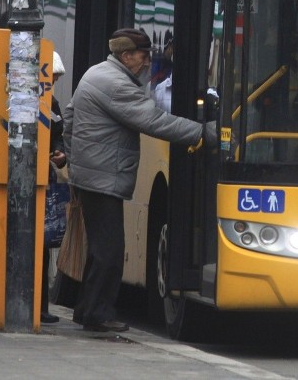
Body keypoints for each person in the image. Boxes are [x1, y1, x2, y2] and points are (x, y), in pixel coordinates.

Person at [64, 28, 214, 333]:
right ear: (126, 55)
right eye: (143, 56)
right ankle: (98, 314)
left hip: (93, 174)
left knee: (100, 249)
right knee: (110, 251)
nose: (147, 63)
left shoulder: (96, 73)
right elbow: (154, 121)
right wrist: (203, 133)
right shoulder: (116, 84)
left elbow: (69, 118)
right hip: (102, 177)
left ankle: (87, 309)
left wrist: (75, 160)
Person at [41, 51, 67, 324]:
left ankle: (41, 306)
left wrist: (59, 153)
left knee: (44, 244)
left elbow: (58, 136)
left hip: (46, 177)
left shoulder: (54, 104)